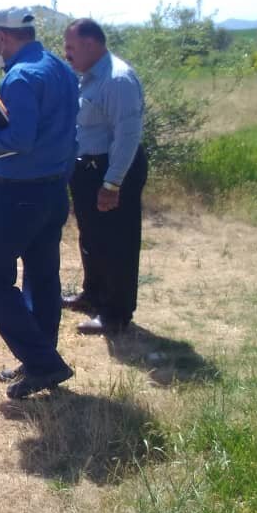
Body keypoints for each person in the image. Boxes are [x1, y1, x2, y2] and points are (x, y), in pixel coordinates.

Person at [0, 5, 80, 399]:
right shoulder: (59, 67)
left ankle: (44, 363)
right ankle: (40, 358)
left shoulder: (21, 77)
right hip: (54, 189)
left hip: (19, 195)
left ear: (2, 36)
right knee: (42, 278)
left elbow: (18, 141)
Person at [62, 18, 147, 336]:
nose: (67, 54)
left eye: (71, 47)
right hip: (88, 169)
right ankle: (93, 294)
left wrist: (112, 184)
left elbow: (127, 136)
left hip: (112, 169)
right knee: (92, 236)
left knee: (117, 242)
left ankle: (116, 313)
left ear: (90, 44)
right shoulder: (88, 77)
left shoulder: (117, 79)